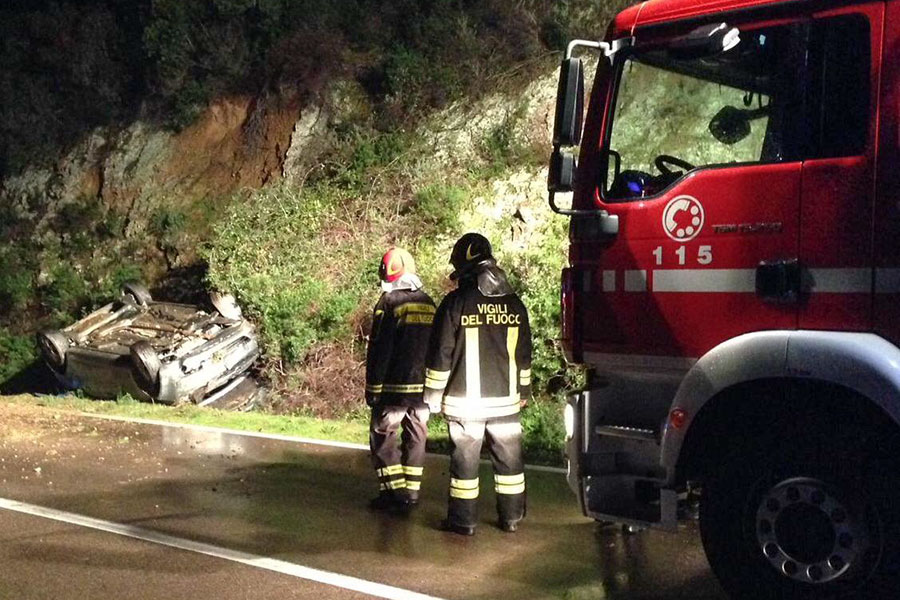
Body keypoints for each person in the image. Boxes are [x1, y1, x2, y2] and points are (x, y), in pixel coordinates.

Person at [424, 233, 532, 535]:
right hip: (507, 403)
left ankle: (463, 522)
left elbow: (441, 354)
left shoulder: (455, 303)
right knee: (510, 466)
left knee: (465, 468)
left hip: (465, 404)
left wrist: (433, 396)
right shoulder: (515, 305)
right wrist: (524, 392)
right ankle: (511, 519)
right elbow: (524, 354)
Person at [365, 247, 436, 511]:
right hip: (424, 390)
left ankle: (393, 495)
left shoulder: (388, 303)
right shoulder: (429, 302)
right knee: (417, 435)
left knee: (383, 435)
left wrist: (373, 389)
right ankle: (412, 493)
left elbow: (380, 349)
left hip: (393, 389)